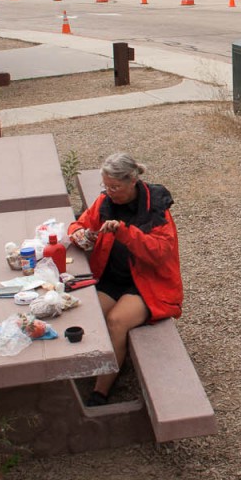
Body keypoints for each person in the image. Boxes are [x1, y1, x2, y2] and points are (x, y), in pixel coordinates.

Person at [68, 152, 183, 406]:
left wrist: (124, 232)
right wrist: (81, 235)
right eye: (106, 186)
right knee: (86, 313)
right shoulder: (105, 201)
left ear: (132, 180)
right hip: (111, 277)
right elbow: (78, 224)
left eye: (115, 187)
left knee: (116, 321)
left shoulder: (156, 206)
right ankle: (87, 365)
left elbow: (160, 254)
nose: (109, 192)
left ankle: (102, 389)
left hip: (146, 283)